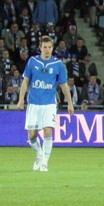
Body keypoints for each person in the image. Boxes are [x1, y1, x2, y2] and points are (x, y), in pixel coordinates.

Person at [17, 35, 74, 171]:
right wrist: (21, 99)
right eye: (44, 47)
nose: (47, 50)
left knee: (48, 131)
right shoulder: (32, 61)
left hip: (49, 103)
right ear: (40, 48)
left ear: (52, 48)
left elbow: (64, 85)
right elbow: (25, 81)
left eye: (49, 47)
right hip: (33, 103)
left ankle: (44, 163)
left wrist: (70, 103)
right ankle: (39, 153)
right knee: (32, 135)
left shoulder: (58, 65)